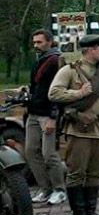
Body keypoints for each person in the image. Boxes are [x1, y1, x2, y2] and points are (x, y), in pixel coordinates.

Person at [48, 34, 99, 215]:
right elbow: (53, 93)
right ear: (90, 50)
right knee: (76, 173)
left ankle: (91, 211)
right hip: (79, 130)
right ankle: (79, 214)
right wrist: (78, 93)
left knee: (96, 173)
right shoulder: (70, 71)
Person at [26, 29, 67, 205]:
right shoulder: (40, 60)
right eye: (34, 42)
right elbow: (37, 87)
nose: (36, 45)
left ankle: (59, 189)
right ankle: (45, 188)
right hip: (34, 113)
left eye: (40, 42)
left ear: (49, 42)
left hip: (47, 115)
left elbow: (58, 92)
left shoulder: (55, 61)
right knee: (30, 151)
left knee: (49, 154)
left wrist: (53, 117)